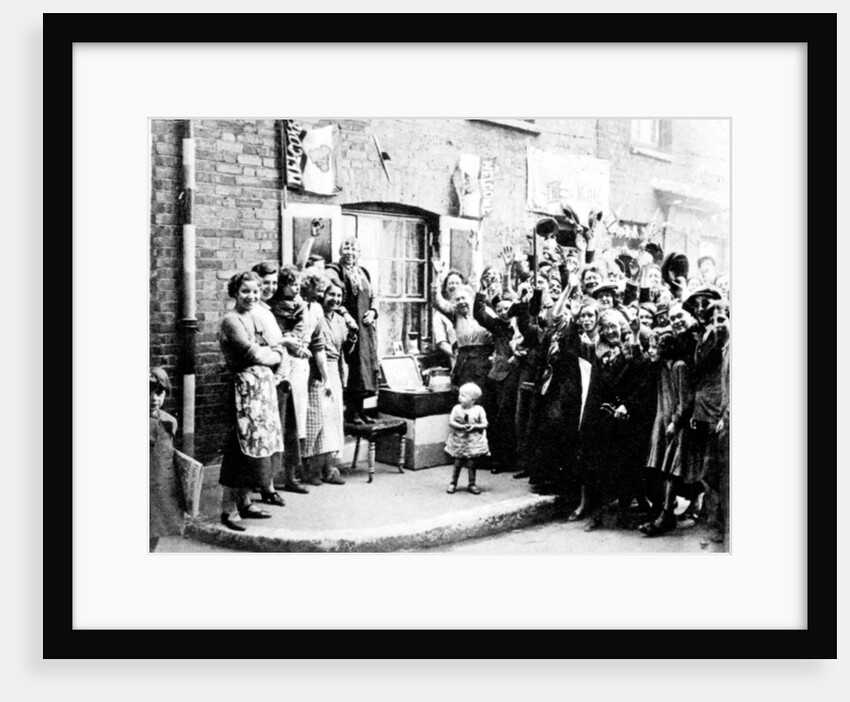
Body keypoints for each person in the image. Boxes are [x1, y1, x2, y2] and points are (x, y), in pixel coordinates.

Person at [218, 271, 285, 531]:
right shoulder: (231, 320)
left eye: (256, 291)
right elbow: (252, 352)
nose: (252, 296)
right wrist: (274, 353)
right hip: (242, 393)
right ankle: (228, 508)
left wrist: (274, 351)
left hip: (261, 395)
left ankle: (245, 502)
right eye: (246, 291)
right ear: (235, 292)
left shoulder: (255, 317)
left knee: (256, 449)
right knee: (238, 448)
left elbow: (275, 347)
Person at [302, 279, 357, 486]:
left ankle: (329, 467)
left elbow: (346, 350)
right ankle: (310, 468)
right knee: (317, 420)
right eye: (331, 295)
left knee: (333, 420)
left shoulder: (340, 320)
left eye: (338, 296)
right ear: (322, 295)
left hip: (336, 370)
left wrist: (352, 337)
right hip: (317, 371)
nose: (334, 299)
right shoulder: (316, 316)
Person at [639, 331, 694, 537]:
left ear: (666, 348)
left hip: (675, 427)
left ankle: (667, 514)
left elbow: (686, 399)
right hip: (663, 424)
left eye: (655, 347)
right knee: (662, 469)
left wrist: (676, 422)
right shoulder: (661, 367)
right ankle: (663, 511)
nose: (651, 351)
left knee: (673, 470)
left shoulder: (679, 367)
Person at [326, 236, 379, 424]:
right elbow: (331, 295)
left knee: (364, 367)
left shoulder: (363, 272)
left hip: (366, 327)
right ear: (341, 251)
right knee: (351, 365)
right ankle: (351, 412)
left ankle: (361, 410)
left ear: (359, 252)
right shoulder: (334, 271)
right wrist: (346, 316)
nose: (350, 252)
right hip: (347, 326)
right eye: (346, 247)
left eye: (354, 248)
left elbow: (374, 295)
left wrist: (373, 311)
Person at [149, 367, 185, 552]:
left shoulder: (169, 422)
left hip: (159, 484)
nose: (154, 398)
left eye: (159, 392)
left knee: (156, 526)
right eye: (148, 392)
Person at [444, 382, 489, 495]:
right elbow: (451, 421)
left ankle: (472, 483)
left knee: (472, 463)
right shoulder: (456, 409)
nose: (460, 398)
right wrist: (460, 426)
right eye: (460, 395)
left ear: (473, 400)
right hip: (459, 440)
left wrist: (475, 426)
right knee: (458, 462)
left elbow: (485, 424)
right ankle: (453, 482)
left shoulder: (479, 410)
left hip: (473, 441)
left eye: (464, 396)